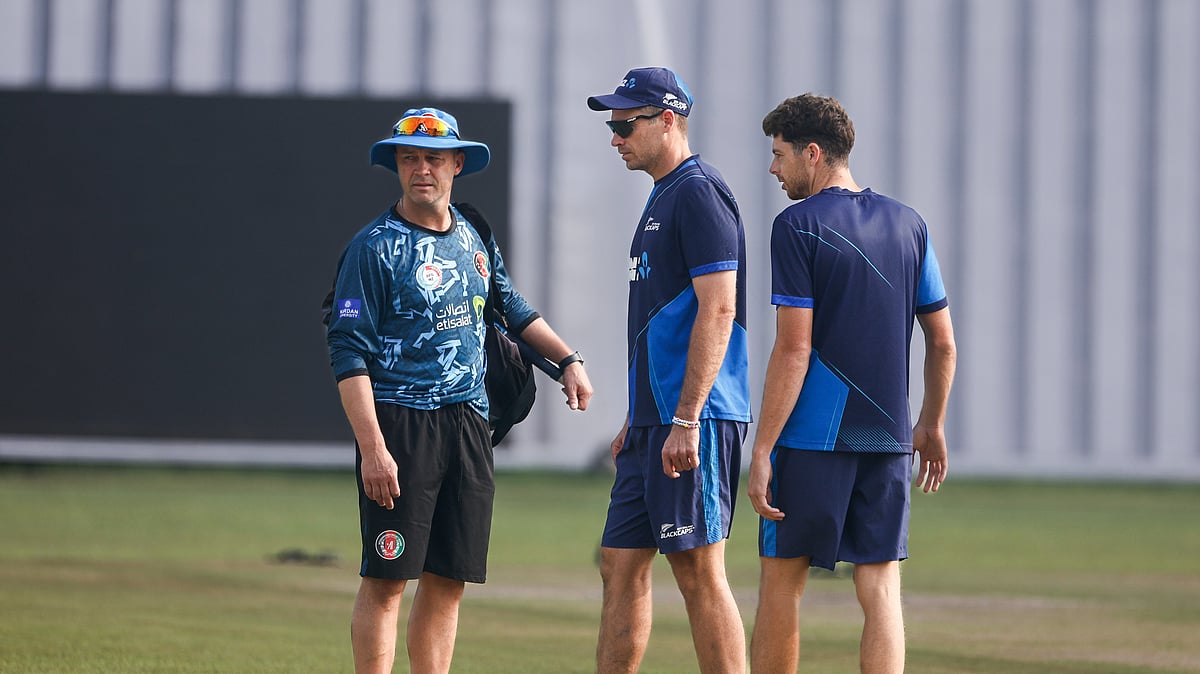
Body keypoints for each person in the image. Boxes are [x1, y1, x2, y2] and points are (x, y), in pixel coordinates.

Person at [325, 107, 593, 674]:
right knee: (388, 578)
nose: (421, 169)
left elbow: (511, 306)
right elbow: (347, 353)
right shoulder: (371, 250)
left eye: (433, 159)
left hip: (469, 424)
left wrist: (566, 358)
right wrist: (373, 447)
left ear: (457, 165)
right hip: (400, 425)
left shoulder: (473, 235)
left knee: (449, 580)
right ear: (397, 166)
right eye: (409, 158)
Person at [747, 93, 957, 673]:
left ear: (812, 155)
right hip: (888, 441)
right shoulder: (909, 224)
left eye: (779, 155)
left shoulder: (796, 226)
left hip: (813, 441)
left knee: (782, 585)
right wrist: (931, 425)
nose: (773, 169)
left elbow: (794, 347)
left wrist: (762, 448)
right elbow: (943, 342)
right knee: (882, 589)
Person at [586, 67, 752, 674]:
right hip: (656, 421)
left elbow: (720, 307)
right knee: (619, 561)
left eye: (626, 124)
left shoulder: (698, 191)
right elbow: (661, 324)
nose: (615, 138)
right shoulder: (662, 193)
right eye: (612, 125)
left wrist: (685, 417)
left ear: (668, 119)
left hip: (696, 419)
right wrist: (640, 416)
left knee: (698, 570)